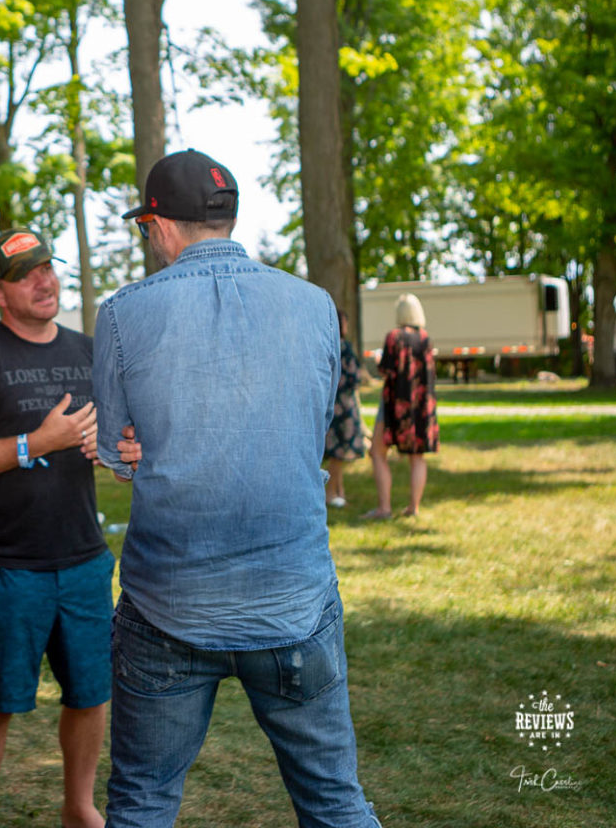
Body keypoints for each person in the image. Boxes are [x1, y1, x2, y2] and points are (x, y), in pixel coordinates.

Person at [92, 149, 381, 828]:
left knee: (140, 802)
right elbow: (306, 428)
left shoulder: (122, 313)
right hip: (292, 600)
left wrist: (146, 447)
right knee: (335, 800)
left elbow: (115, 452)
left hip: (168, 603)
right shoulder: (315, 308)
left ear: (158, 224)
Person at [0, 228, 113, 828]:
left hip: (85, 557)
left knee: (91, 694)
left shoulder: (89, 350)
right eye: (26, 275)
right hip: (8, 564)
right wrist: (39, 442)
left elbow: (119, 453)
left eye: (48, 268)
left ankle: (78, 805)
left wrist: (113, 449)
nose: (45, 281)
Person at [363, 292, 439, 519]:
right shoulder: (425, 339)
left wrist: (378, 361)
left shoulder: (394, 337)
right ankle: (414, 508)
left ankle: (384, 508)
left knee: (377, 453)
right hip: (421, 407)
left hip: (394, 405)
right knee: (417, 458)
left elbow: (386, 370)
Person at [324, 308, 366, 507]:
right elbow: (354, 377)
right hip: (344, 407)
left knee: (335, 454)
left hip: (328, 406)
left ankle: (339, 491)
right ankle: (331, 493)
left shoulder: (324, 346)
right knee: (338, 455)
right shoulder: (345, 348)